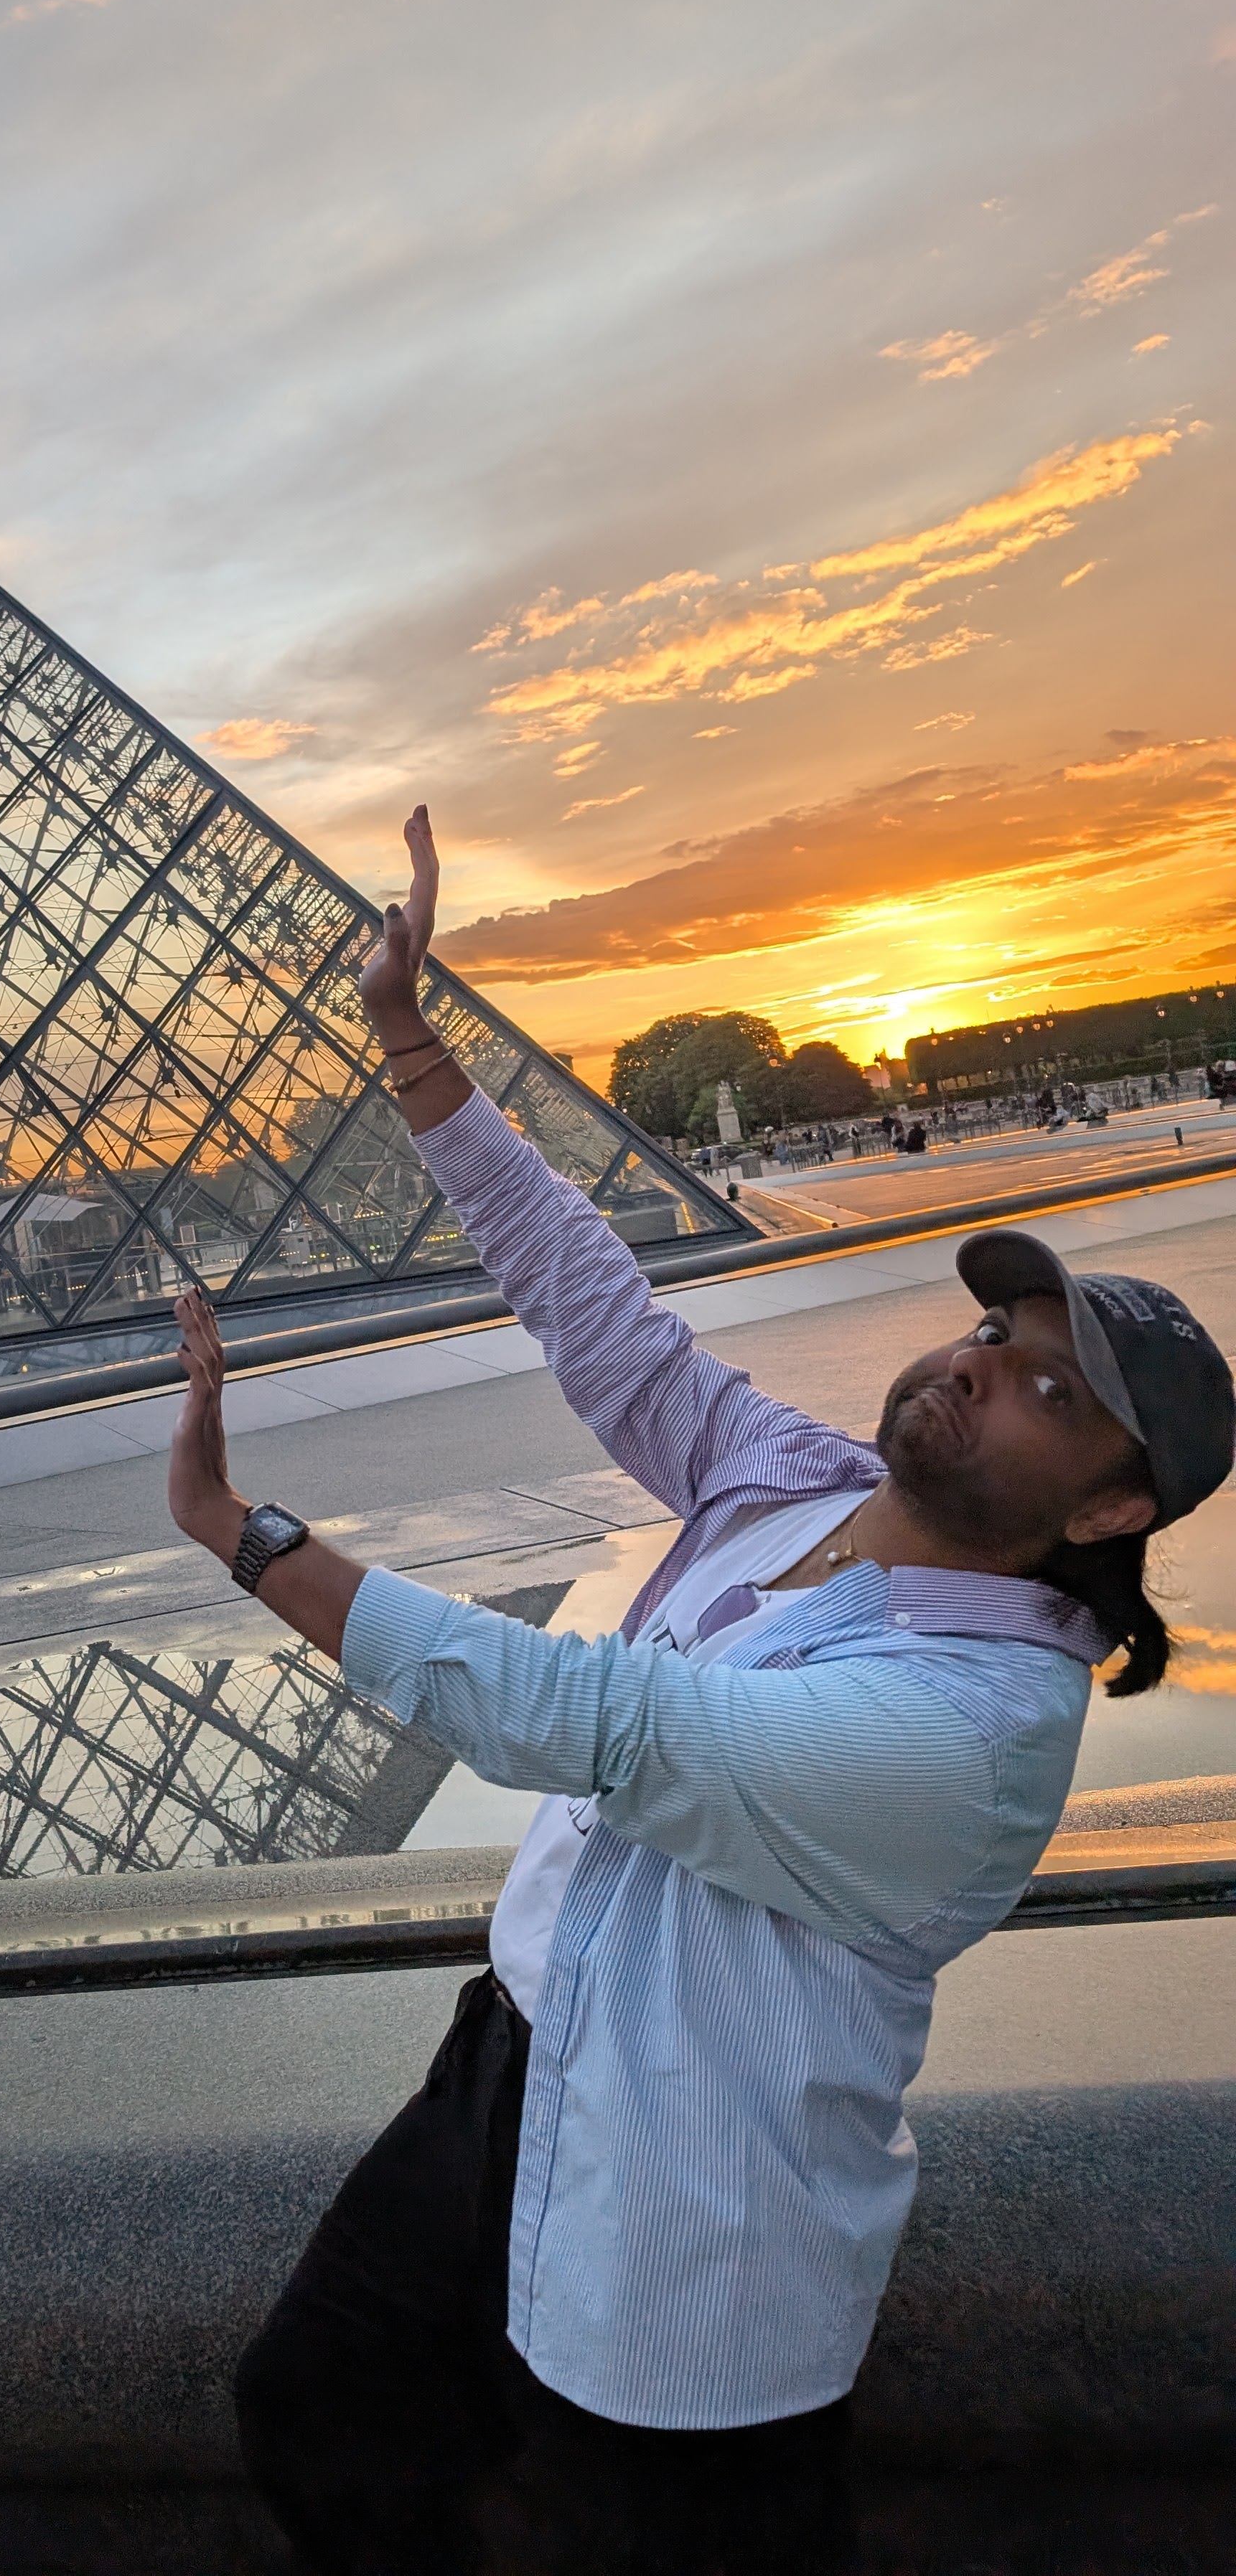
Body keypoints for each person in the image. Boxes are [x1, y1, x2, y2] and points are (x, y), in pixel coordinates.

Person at [167, 805, 1234, 2576]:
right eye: (996, 1335)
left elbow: (604, 1726)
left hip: (701, 2210)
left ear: (1113, 1511)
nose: (981, 1370)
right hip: (507, 2066)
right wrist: (411, 1042)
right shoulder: (795, 1479)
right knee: (311, 2414)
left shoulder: (974, 1736)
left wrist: (245, 1535)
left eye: (1051, 1392)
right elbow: (601, 1314)